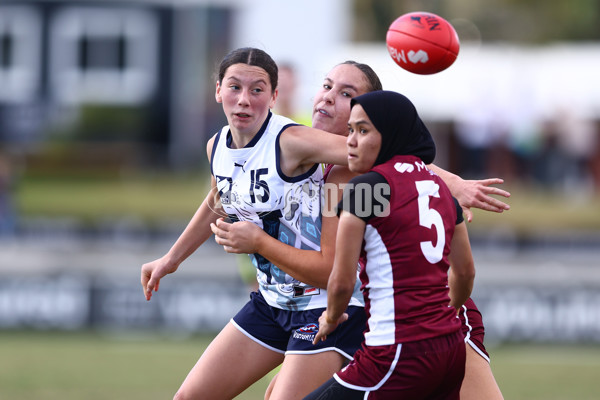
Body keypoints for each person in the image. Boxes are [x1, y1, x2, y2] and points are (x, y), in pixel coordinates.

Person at [212, 61, 505, 399]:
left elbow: (337, 272)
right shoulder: (325, 161)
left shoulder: (361, 182)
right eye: (326, 86)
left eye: (347, 94)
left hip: (426, 319)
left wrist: (452, 186)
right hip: (398, 321)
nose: (328, 98)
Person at [141, 47, 367, 400]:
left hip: (329, 308)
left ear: (275, 96)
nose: (244, 100)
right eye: (234, 87)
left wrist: (450, 184)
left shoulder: (300, 145)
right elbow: (219, 198)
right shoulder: (217, 146)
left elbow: (381, 154)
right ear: (217, 91)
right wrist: (171, 259)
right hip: (274, 301)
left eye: (257, 90)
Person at [302, 90, 475, 399]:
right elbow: (465, 273)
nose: (351, 141)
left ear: (391, 132)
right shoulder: (440, 187)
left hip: (398, 351)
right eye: (351, 130)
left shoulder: (370, 187)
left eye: (364, 130)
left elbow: (342, 282)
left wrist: (330, 318)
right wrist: (446, 312)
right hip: (450, 348)